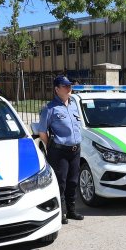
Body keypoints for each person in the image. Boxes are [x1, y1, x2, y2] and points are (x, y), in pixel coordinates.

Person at [37, 76, 84, 223]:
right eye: (65, 86)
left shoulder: (74, 105)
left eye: (70, 85)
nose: (69, 88)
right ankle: (62, 213)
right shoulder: (49, 108)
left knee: (73, 182)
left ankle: (71, 211)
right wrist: (51, 146)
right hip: (59, 151)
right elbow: (42, 132)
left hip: (75, 150)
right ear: (57, 89)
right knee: (61, 182)